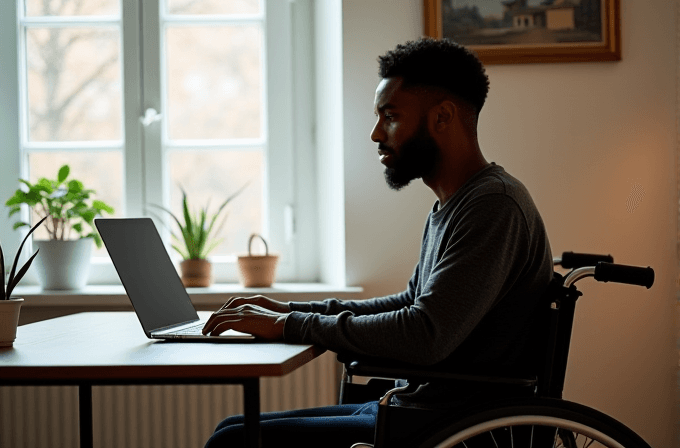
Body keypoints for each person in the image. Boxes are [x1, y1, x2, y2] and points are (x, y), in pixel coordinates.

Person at [202, 37, 553, 448]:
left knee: (232, 442)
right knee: (230, 428)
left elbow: (425, 334)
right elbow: (411, 303)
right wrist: (291, 310)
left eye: (390, 116)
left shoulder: (494, 206)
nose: (374, 134)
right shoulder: (455, 204)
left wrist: (291, 326)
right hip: (416, 406)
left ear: (443, 117)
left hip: (454, 427)